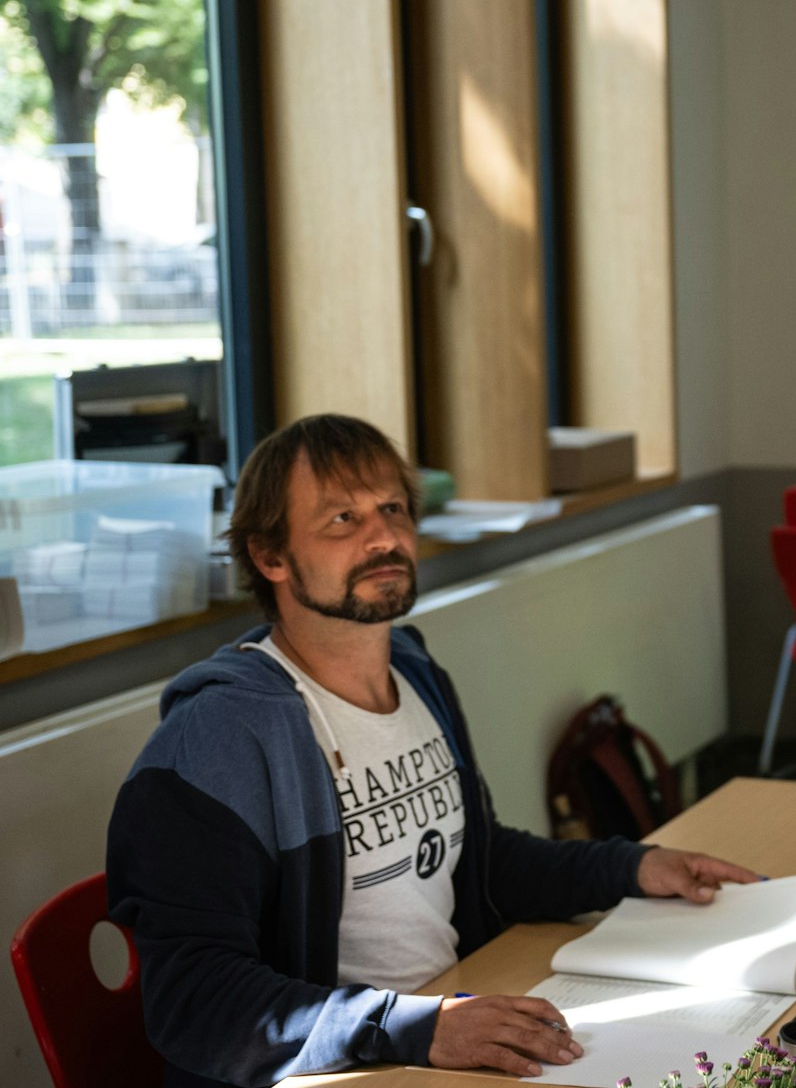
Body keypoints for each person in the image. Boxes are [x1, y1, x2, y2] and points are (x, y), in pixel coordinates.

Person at [107, 414, 758, 1088]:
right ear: (269, 555)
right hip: (347, 1065)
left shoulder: (414, 672)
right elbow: (196, 1000)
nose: (384, 535)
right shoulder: (217, 737)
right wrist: (414, 1025)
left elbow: (479, 861)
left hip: (444, 1022)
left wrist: (633, 865)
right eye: (342, 519)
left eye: (393, 508)